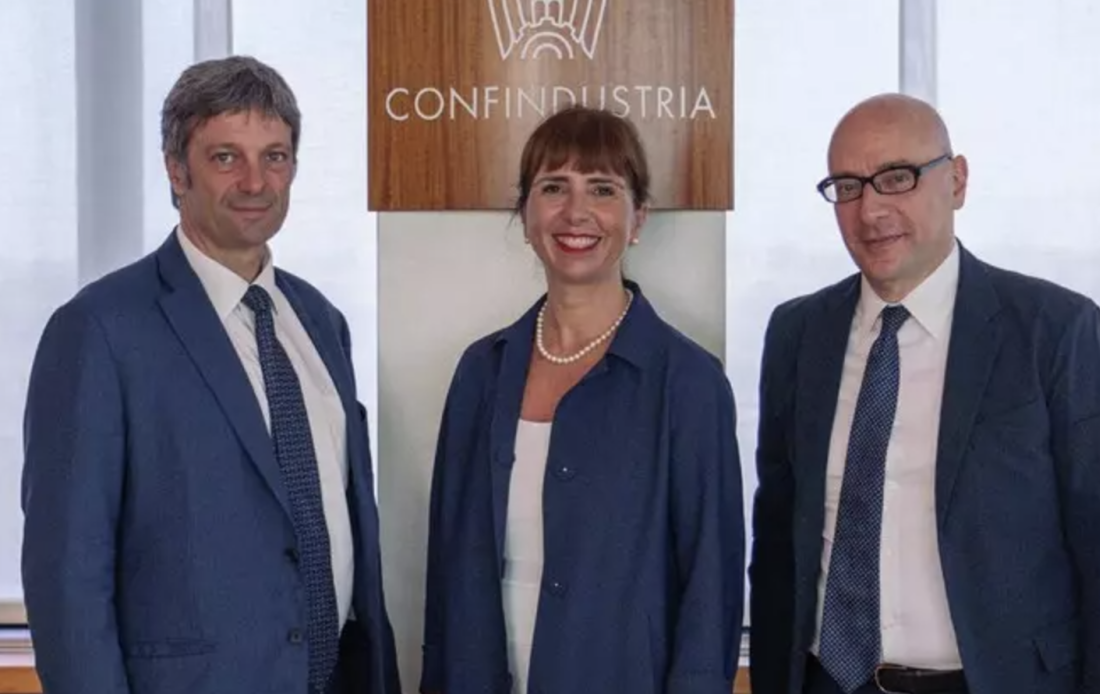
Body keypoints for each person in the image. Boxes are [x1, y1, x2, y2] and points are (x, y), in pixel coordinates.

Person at [749, 93, 1100, 694]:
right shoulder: (798, 334)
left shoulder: (1056, 331)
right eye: (847, 187)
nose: (871, 209)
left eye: (897, 177)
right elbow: (777, 544)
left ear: (957, 181)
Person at [21, 56, 400, 694]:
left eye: (274, 157)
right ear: (177, 170)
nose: (255, 181)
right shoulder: (100, 331)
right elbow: (66, 578)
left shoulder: (320, 321)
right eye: (226, 157)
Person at [420, 105, 745, 694]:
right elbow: (446, 574)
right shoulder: (480, 373)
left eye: (602, 188)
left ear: (638, 216)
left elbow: (710, 593)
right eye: (553, 187)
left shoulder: (689, 384)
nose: (576, 212)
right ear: (525, 214)